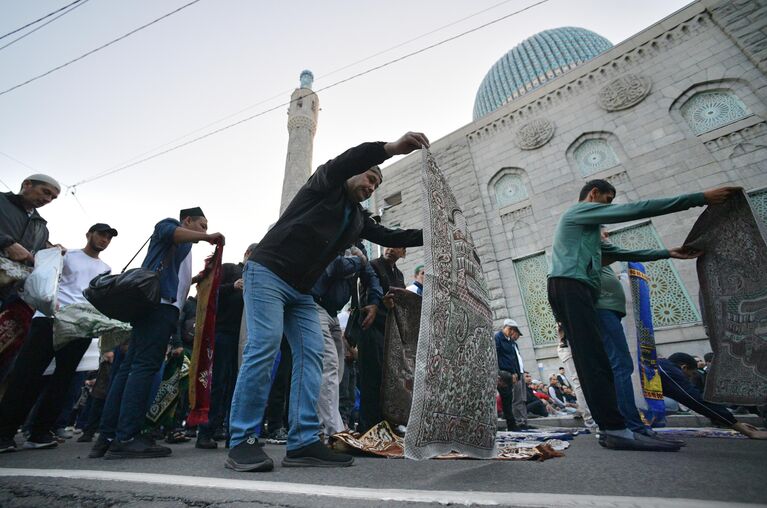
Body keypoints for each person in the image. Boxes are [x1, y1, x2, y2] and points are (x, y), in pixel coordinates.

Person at [228, 132, 428, 473]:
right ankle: (242, 441)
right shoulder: (324, 184)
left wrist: (435, 234)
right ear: (353, 174)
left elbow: (390, 237)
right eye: (369, 177)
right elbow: (348, 159)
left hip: (303, 293)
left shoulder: (357, 219)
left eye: (377, 184)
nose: (372, 186)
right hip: (268, 273)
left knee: (314, 359)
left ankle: (304, 441)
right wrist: (391, 149)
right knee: (262, 348)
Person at [547, 179, 739, 452]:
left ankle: (614, 428)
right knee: (594, 362)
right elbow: (636, 209)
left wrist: (667, 252)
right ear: (593, 195)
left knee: (597, 361)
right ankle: (615, 430)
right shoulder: (579, 212)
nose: (608, 210)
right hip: (569, 286)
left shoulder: (587, 236)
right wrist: (700, 197)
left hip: (576, 289)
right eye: (607, 202)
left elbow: (624, 252)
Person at [90, 208, 224, 460]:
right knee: (143, 368)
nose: (204, 231)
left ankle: (107, 436)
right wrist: (209, 238)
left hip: (159, 308)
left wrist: (197, 278)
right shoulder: (169, 225)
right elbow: (168, 231)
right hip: (159, 307)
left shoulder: (184, 249)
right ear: (187, 221)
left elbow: (177, 277)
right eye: (202, 225)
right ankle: (127, 437)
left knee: (130, 368)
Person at [0, 223, 116, 452]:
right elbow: (42, 271)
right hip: (50, 318)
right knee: (27, 375)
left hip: (80, 325)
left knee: (63, 380)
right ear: (89, 234)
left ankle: (40, 432)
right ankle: (5, 433)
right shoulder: (66, 254)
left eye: (109, 237)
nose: (104, 239)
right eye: (101, 234)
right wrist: (51, 252)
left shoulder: (106, 268)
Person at [311, 245, 382, 438]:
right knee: (329, 365)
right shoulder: (331, 238)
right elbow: (335, 266)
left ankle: (324, 423)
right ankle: (332, 428)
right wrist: (359, 261)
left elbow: (371, 277)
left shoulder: (357, 247)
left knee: (338, 370)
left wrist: (374, 300)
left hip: (332, 313)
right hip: (314, 306)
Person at [0, 175, 61, 377]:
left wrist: (51, 254)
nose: (48, 199)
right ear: (26, 184)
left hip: (9, 297)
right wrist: (6, 242)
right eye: (46, 192)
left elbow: (35, 263)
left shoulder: (41, 228)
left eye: (53, 197)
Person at [196, 244, 255, 449]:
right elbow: (207, 293)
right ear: (246, 254)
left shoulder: (259, 278)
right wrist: (232, 286)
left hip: (246, 339)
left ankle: (233, 432)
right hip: (224, 334)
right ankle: (206, 431)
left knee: (237, 385)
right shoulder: (231, 269)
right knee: (218, 383)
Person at [659, 353, 767, 439]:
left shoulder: (662, 366)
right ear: (684, 367)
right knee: (671, 405)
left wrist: (733, 423)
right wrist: (745, 431)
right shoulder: (670, 371)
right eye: (690, 375)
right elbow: (696, 401)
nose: (689, 379)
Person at [358, 246, 407, 433]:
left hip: (387, 329)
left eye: (396, 246)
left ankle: (386, 422)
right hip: (370, 326)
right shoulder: (373, 266)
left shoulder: (399, 274)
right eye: (388, 245)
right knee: (371, 377)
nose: (390, 249)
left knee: (385, 378)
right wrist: (379, 303)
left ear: (403, 253)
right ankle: (369, 426)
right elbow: (366, 297)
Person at [494, 319, 533, 431]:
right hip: (503, 375)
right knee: (507, 402)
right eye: (513, 331)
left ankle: (513, 425)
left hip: (512, 376)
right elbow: (495, 357)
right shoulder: (498, 338)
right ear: (510, 329)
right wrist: (499, 374)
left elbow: (513, 360)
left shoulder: (510, 342)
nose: (513, 335)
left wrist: (515, 373)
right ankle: (512, 425)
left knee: (509, 401)